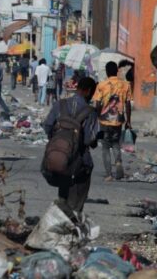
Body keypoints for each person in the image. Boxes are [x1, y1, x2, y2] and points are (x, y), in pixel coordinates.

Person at [42, 77, 99, 217]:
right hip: (79, 163)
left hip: (61, 157)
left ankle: (61, 216)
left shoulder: (60, 105)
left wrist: (58, 140)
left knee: (63, 193)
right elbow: (88, 139)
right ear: (89, 91)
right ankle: (73, 220)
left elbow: (48, 125)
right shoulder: (90, 111)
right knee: (77, 199)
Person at [92, 61, 132, 181]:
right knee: (115, 144)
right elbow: (128, 104)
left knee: (105, 147)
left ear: (107, 72)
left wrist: (96, 116)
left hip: (104, 121)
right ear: (117, 71)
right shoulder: (126, 85)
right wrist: (128, 121)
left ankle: (109, 173)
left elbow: (98, 103)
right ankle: (118, 162)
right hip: (118, 121)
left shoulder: (101, 85)